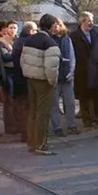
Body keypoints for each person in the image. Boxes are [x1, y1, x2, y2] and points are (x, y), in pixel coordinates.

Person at [20, 14, 62, 155]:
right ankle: (40, 144)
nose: (57, 27)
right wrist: (52, 82)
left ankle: (32, 142)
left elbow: (22, 60)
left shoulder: (29, 39)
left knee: (32, 111)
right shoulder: (50, 43)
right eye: (56, 25)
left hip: (30, 78)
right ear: (51, 26)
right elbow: (51, 67)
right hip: (43, 81)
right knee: (43, 114)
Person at [69, 12, 98, 128]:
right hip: (81, 70)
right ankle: (87, 121)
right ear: (82, 21)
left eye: (92, 20)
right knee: (84, 97)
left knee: (95, 96)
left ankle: (95, 119)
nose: (91, 23)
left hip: (95, 70)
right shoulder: (74, 36)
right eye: (88, 20)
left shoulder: (95, 33)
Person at [50, 22, 78, 136]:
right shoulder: (48, 39)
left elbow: (72, 56)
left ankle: (71, 125)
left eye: (58, 25)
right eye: (54, 25)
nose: (56, 27)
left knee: (70, 103)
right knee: (54, 104)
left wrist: (72, 71)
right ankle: (57, 127)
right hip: (54, 76)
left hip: (67, 76)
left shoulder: (66, 38)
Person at [12, 21, 37, 143]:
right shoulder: (28, 43)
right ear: (30, 31)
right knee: (27, 107)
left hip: (18, 78)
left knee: (22, 107)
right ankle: (27, 133)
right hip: (26, 78)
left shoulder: (18, 41)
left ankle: (24, 132)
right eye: (35, 30)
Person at [0, 21, 19, 134]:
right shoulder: (1, 42)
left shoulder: (18, 40)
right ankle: (9, 126)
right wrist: (17, 53)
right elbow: (5, 56)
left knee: (17, 100)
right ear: (6, 29)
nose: (12, 30)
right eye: (11, 27)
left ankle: (17, 123)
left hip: (18, 72)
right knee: (8, 100)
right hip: (8, 72)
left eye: (15, 28)